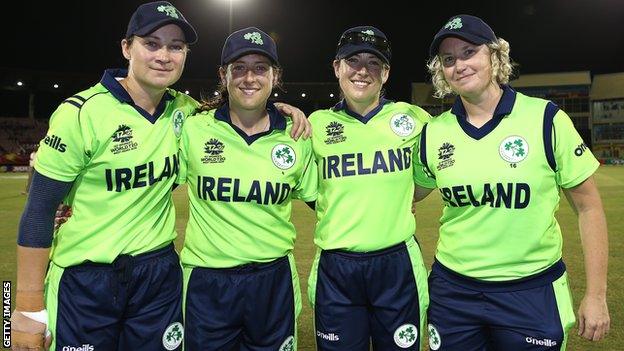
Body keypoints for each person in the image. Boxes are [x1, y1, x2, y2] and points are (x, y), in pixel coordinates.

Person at [12, 2, 309, 350]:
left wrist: (281, 109)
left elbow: (239, 111)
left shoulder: (186, 113)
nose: (164, 56)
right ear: (127, 47)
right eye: (152, 44)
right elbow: (38, 210)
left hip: (157, 277)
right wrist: (24, 309)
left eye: (175, 47)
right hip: (85, 277)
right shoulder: (82, 113)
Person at [413, 14, 610, 350]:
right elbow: (406, 194)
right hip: (453, 293)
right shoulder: (434, 132)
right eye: (449, 59)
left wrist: (596, 295)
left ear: (494, 56)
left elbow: (589, 207)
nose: (459, 65)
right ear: (441, 72)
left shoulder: (546, 119)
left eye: (469, 52)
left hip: (531, 292)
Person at [177, 27, 317, 350]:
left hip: (273, 281)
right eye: (238, 68)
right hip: (207, 282)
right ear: (223, 75)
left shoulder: (296, 137)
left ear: (275, 75)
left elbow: (326, 202)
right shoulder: (194, 129)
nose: (249, 78)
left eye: (260, 68)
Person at [307, 26, 431, 350]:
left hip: (397, 264)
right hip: (336, 269)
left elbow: (428, 175)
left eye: (373, 62)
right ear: (337, 67)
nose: (362, 70)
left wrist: (401, 199)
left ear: (386, 72)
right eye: (353, 60)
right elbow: (307, 189)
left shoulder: (413, 119)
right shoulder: (314, 126)